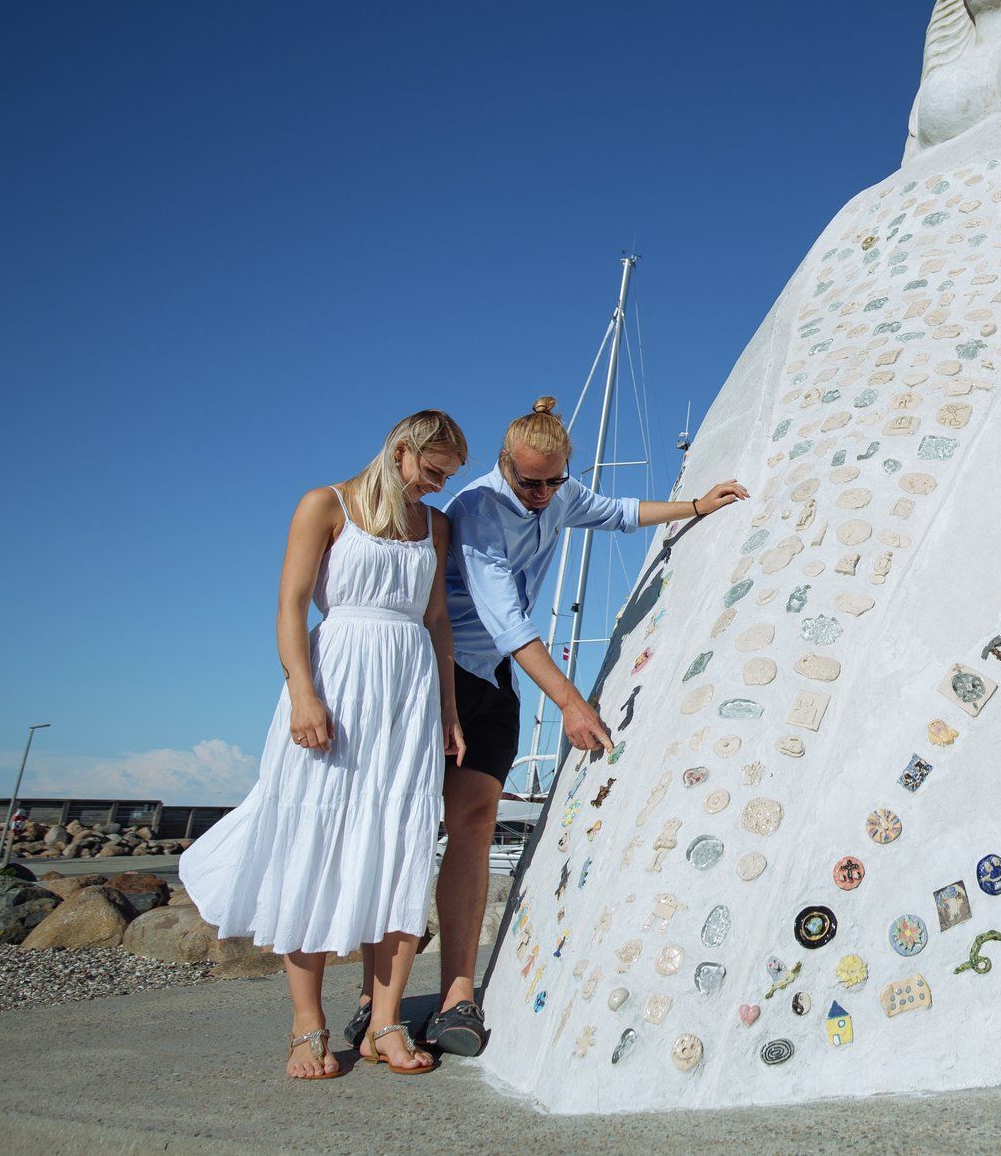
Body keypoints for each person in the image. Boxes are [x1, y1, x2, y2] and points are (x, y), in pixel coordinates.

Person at [412, 396, 746, 1056]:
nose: (541, 496)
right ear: (504, 465)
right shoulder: (477, 510)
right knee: (407, 826)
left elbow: (618, 512)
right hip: (440, 673)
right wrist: (570, 701)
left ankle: (456, 995)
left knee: (475, 822)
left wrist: (695, 507)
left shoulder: (559, 494)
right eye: (528, 482)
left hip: (496, 679)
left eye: (553, 481)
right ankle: (378, 1000)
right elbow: (507, 621)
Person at [180, 410, 469, 1080]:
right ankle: (306, 1023)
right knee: (310, 845)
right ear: (401, 450)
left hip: (408, 695)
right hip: (337, 683)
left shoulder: (436, 525)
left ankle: (385, 1024)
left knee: (401, 846)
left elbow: (436, 621)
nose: (437, 487)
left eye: (447, 477)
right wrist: (303, 693)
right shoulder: (325, 504)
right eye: (432, 472)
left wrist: (449, 709)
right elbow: (290, 605)